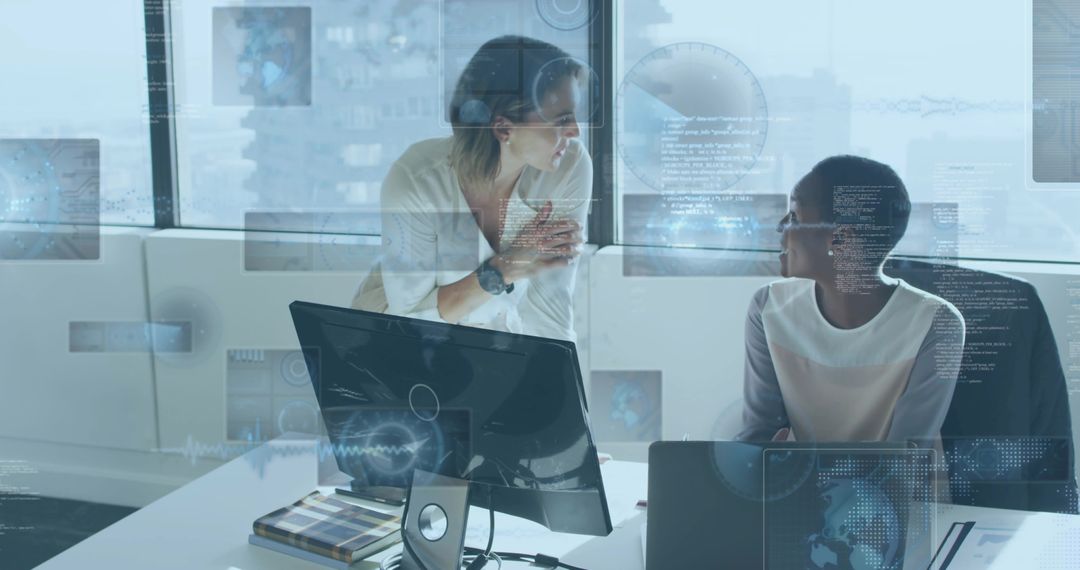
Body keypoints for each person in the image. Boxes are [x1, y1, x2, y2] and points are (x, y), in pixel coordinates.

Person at [352, 36, 590, 342]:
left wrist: (558, 384)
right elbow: (409, 320)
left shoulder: (568, 164)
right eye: (561, 120)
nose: (575, 131)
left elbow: (550, 308)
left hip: (494, 354)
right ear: (504, 128)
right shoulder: (416, 180)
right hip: (399, 351)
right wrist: (504, 269)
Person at [737, 155, 965, 445]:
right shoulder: (769, 308)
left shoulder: (936, 324)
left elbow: (906, 457)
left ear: (841, 239)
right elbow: (758, 436)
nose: (781, 227)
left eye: (794, 217)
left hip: (888, 490)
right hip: (799, 486)